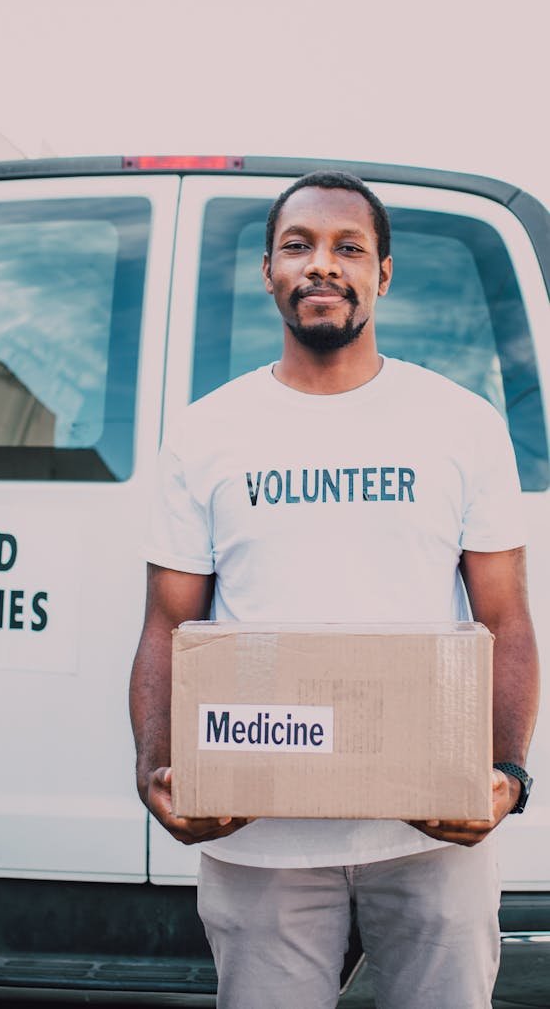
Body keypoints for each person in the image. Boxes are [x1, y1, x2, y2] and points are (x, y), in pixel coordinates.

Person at [129, 171, 539, 1009]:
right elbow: (169, 621)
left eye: (348, 247)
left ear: (382, 274)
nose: (323, 265)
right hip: (257, 831)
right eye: (298, 246)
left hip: (429, 828)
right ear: (269, 272)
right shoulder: (209, 432)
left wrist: (505, 775)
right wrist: (156, 770)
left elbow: (505, 617)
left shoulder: (459, 423)